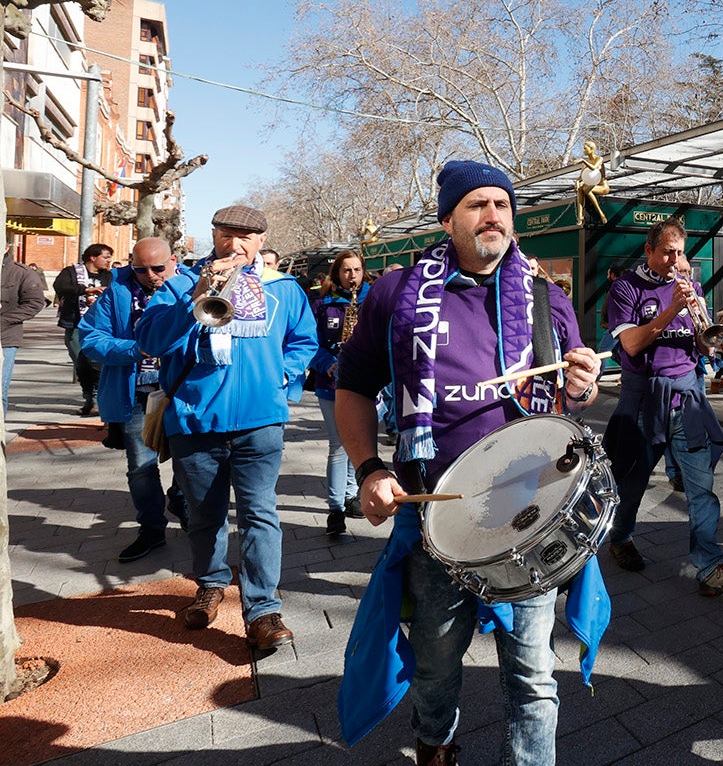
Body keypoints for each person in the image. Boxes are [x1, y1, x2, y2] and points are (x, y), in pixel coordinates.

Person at [332, 161, 607, 765]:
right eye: (477, 204)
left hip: (529, 512)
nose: (493, 215)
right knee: (434, 662)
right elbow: (350, 385)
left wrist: (584, 387)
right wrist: (368, 468)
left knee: (534, 674)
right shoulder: (399, 294)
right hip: (437, 514)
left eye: (502, 205)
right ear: (447, 218)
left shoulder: (544, 298)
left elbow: (567, 396)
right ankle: (435, 744)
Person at [135, 205, 316, 649]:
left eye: (246, 238)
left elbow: (304, 341)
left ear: (260, 242)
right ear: (213, 236)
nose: (235, 246)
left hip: (261, 422)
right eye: (226, 236)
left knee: (260, 515)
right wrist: (195, 294)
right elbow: (150, 341)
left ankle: (263, 611)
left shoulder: (283, 288)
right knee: (204, 516)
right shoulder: (177, 286)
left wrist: (281, 384)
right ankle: (211, 584)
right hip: (195, 422)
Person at [602, 218, 723, 595]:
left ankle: (709, 566)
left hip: (687, 395)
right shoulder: (625, 289)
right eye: (667, 252)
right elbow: (633, 346)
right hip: (644, 399)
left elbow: (702, 343)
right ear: (649, 251)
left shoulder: (690, 285)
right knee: (635, 479)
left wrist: (709, 340)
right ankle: (620, 537)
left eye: (680, 252)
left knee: (701, 485)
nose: (675, 260)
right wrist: (672, 309)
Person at [79, 237, 189, 562]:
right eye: (140, 269)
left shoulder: (192, 286)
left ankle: (182, 501)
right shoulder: (117, 292)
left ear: (173, 260)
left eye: (158, 268)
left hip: (185, 392)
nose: (151, 275)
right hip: (137, 394)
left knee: (191, 462)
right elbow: (91, 338)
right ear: (130, 264)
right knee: (141, 468)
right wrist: (133, 350)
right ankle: (152, 531)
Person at [310, 249, 370, 535]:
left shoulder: (371, 300)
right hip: (330, 384)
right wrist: (328, 363)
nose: (352, 276)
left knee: (355, 442)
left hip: (364, 383)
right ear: (337, 274)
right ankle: (335, 509)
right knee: (338, 445)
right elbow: (310, 344)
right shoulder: (322, 304)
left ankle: (349, 495)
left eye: (357, 270)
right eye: (346, 270)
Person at [54, 242, 114, 415]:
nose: (109, 260)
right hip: (75, 323)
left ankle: (97, 398)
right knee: (80, 362)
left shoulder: (109, 276)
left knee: (96, 363)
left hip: (100, 325)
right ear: (93, 257)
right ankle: (89, 396)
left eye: (110, 257)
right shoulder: (71, 272)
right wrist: (86, 291)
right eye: (105, 257)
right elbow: (60, 287)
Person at [2, 244, 47, 414]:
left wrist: (4, 320)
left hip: (4, 338)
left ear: (7, 247)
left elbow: (35, 303)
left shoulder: (21, 273)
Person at [574, 139, 610, 225]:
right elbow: (582, 176)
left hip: (603, 187)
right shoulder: (585, 163)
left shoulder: (599, 158)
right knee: (580, 189)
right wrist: (577, 182)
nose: (584, 150)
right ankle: (580, 216)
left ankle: (601, 213)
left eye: (585, 148)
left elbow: (594, 168)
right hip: (591, 186)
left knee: (586, 189)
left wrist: (583, 160)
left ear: (592, 149)